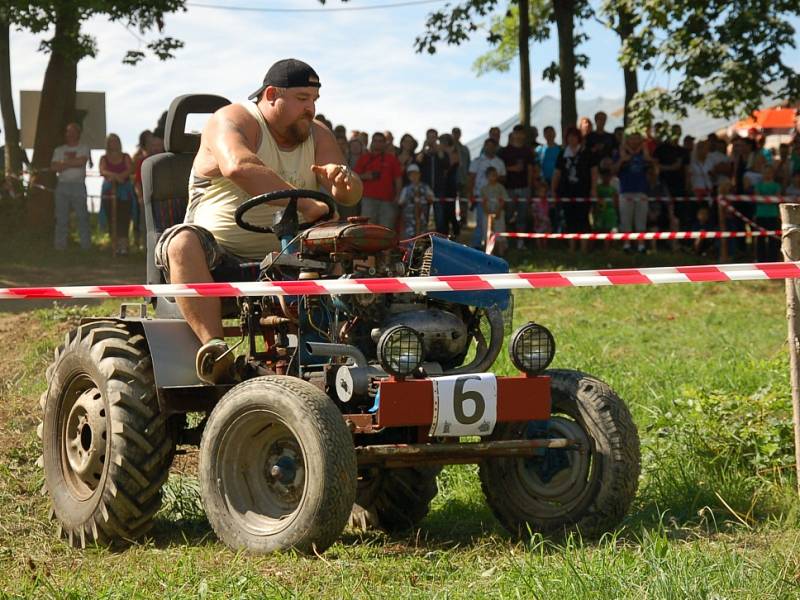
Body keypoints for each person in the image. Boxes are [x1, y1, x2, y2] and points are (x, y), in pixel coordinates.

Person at [154, 59, 362, 384]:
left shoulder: (316, 133)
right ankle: (214, 348)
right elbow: (239, 165)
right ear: (271, 94)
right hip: (217, 256)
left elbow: (348, 193)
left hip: (286, 256)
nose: (311, 108)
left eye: (315, 100)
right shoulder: (231, 119)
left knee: (343, 240)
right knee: (181, 243)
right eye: (302, 99)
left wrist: (344, 182)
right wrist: (305, 202)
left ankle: (339, 349)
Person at [551, 127, 597, 252]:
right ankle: (572, 248)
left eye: (574, 136)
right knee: (569, 218)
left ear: (579, 138)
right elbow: (557, 173)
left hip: (583, 191)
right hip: (566, 191)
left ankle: (583, 249)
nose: (572, 139)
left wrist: (593, 188)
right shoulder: (562, 153)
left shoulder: (587, 153)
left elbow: (593, 172)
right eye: (569, 137)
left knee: (583, 219)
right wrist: (553, 189)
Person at [52, 122, 91, 251]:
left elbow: (81, 162)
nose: (71, 134)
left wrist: (63, 164)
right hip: (62, 186)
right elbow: (54, 167)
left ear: (78, 134)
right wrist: (72, 163)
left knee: (82, 217)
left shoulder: (83, 148)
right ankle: (60, 246)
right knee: (61, 217)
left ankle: (85, 246)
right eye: (68, 131)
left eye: (74, 131)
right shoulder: (59, 150)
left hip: (78, 185)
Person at [354, 131, 402, 228]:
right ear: (371, 142)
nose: (378, 143)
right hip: (368, 200)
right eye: (375, 141)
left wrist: (398, 195)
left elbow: (398, 178)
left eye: (380, 141)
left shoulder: (391, 159)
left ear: (384, 143)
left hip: (388, 201)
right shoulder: (364, 158)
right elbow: (354, 176)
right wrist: (365, 176)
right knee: (368, 229)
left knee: (386, 229)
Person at [499, 125, 536, 248]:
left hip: (524, 187)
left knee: (522, 215)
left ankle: (520, 242)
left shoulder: (528, 151)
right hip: (508, 188)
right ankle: (506, 240)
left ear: (524, 135)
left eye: (521, 133)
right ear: (513, 134)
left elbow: (531, 170)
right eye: (517, 133)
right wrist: (512, 168)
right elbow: (500, 169)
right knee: (508, 214)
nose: (519, 135)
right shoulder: (504, 151)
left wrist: (530, 186)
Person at [614, 132, 651, 253]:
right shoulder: (620, 154)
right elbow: (614, 171)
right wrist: (622, 160)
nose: (634, 142)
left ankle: (641, 245)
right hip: (625, 191)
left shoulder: (644, 155)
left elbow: (653, 169)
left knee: (641, 220)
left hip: (641, 191)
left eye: (637, 139)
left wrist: (647, 156)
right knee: (626, 219)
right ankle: (627, 244)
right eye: (632, 139)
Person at [99, 133, 136, 255]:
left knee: (124, 218)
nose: (113, 143)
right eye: (111, 141)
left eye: (116, 141)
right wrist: (115, 176)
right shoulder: (104, 158)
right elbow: (103, 170)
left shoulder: (125, 156)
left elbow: (130, 169)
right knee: (111, 218)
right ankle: (114, 245)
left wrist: (121, 177)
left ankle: (124, 246)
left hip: (124, 192)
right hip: (109, 192)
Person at [468, 138, 506, 248]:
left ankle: (497, 247)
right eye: (487, 145)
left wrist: (494, 180)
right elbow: (471, 178)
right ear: (484, 146)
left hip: (496, 199)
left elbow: (503, 178)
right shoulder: (477, 161)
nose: (490, 148)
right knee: (481, 223)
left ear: (495, 147)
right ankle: (477, 246)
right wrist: (470, 193)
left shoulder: (499, 162)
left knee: (498, 224)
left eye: (492, 146)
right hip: (481, 197)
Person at [753, 164, 782, 261]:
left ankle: (773, 260)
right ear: (762, 174)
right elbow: (757, 199)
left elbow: (777, 199)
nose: (767, 175)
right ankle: (760, 260)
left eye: (769, 172)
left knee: (773, 239)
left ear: (773, 174)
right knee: (760, 239)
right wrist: (770, 199)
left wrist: (764, 198)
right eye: (765, 173)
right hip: (760, 215)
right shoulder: (758, 185)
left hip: (773, 215)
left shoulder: (777, 185)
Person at [398, 163, 434, 239]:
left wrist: (426, 198)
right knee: (410, 239)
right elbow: (400, 202)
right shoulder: (406, 189)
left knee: (422, 238)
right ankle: (409, 250)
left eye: (416, 174)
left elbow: (432, 199)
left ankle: (421, 250)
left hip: (422, 219)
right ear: (409, 177)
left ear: (419, 174)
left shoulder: (425, 187)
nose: (414, 176)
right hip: (410, 221)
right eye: (411, 175)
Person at [435, 133, 461, 237]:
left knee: (450, 211)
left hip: (450, 186)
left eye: (442, 141)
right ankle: (444, 233)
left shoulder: (453, 152)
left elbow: (448, 168)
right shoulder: (442, 152)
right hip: (443, 185)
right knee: (444, 212)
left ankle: (455, 231)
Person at [479, 166, 509, 256]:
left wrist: (499, 211)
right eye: (492, 175)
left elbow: (504, 200)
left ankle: (501, 254)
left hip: (499, 214)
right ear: (487, 177)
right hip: (487, 214)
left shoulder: (500, 188)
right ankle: (488, 255)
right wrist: (487, 212)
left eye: (495, 175)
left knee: (500, 234)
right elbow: (482, 202)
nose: (494, 177)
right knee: (487, 233)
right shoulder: (483, 189)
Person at [593, 157, 618, 250]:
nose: (606, 178)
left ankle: (611, 247)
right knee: (601, 230)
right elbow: (595, 201)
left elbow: (616, 201)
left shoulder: (613, 189)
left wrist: (616, 210)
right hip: (600, 213)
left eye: (608, 176)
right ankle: (601, 247)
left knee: (611, 230)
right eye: (604, 176)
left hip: (610, 213)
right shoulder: (598, 188)